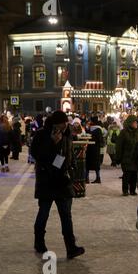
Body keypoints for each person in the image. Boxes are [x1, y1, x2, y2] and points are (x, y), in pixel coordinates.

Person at [31, 110, 85, 259]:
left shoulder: (66, 134)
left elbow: (69, 154)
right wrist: (52, 143)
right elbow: (35, 153)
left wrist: (72, 168)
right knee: (43, 213)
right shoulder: (42, 134)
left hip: (63, 181)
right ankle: (39, 242)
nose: (66, 125)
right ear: (56, 123)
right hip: (47, 180)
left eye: (66, 123)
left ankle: (71, 247)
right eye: (63, 123)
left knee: (66, 216)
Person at [117, 115, 138, 196]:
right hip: (126, 158)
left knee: (134, 175)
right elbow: (119, 146)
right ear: (130, 123)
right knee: (127, 175)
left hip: (135, 158)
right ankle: (125, 190)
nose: (136, 124)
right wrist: (118, 158)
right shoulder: (123, 133)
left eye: (137, 122)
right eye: (134, 122)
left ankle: (132, 190)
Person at [85, 116, 104, 184]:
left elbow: (87, 136)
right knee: (96, 164)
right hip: (96, 149)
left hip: (89, 148)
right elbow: (101, 140)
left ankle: (86, 178)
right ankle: (98, 178)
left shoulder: (89, 129)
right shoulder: (99, 129)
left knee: (87, 163)